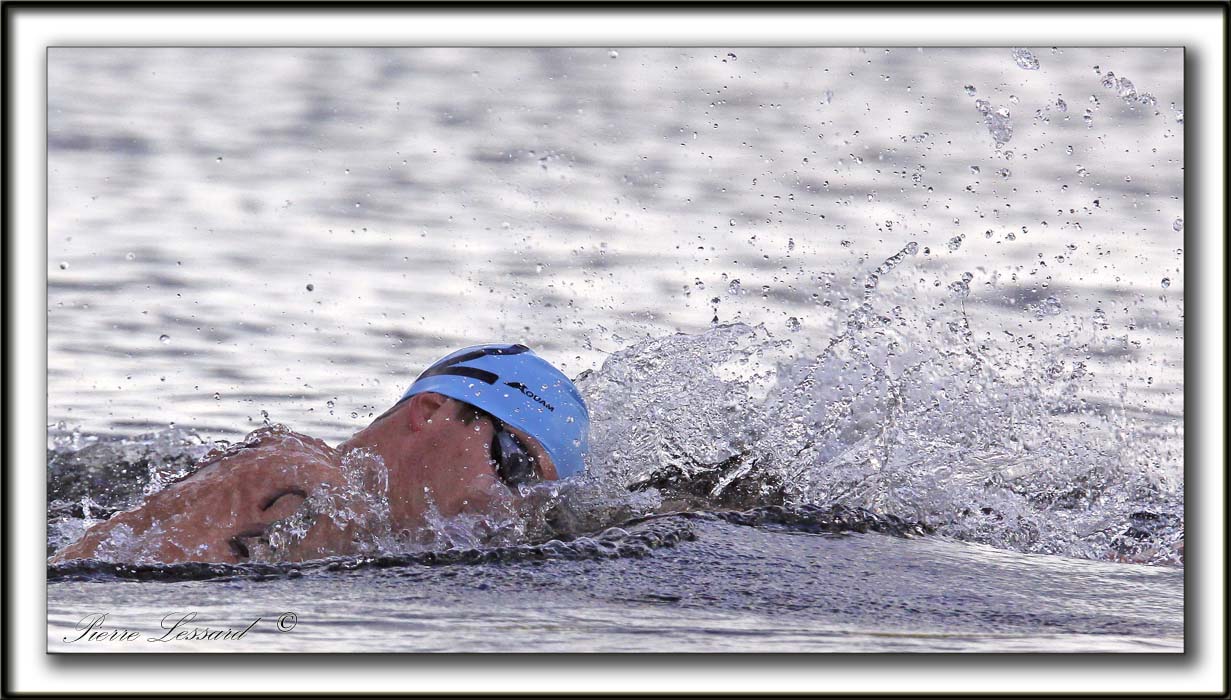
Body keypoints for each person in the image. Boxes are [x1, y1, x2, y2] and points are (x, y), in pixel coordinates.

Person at [49, 344, 590, 565]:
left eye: (544, 496)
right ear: (430, 412)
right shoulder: (298, 485)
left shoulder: (370, 527)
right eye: (516, 465)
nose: (517, 504)